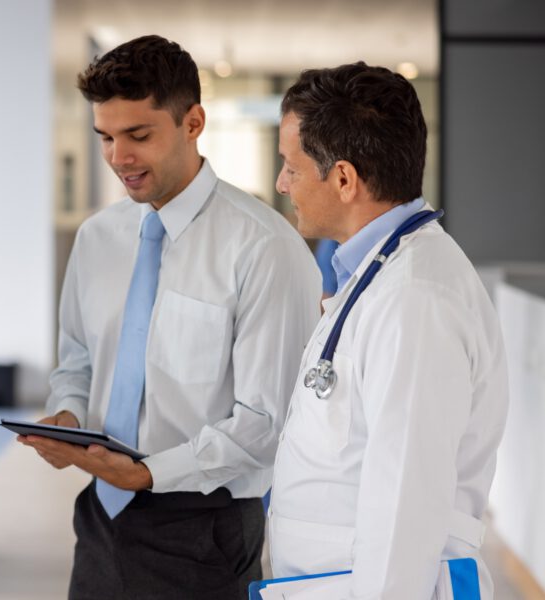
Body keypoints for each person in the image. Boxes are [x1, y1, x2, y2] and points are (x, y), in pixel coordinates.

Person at [18, 35, 320, 599]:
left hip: (204, 529)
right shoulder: (97, 239)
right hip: (101, 516)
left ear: (193, 122)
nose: (117, 158)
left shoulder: (263, 247)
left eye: (138, 135)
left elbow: (265, 423)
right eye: (105, 137)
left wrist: (151, 474)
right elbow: (79, 359)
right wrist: (66, 413)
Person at [269, 62, 509, 598]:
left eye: (291, 167)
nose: (282, 183)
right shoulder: (383, 276)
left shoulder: (415, 300)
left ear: (344, 179)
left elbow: (407, 500)